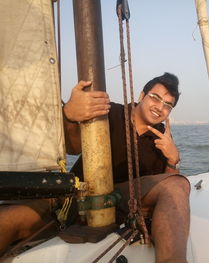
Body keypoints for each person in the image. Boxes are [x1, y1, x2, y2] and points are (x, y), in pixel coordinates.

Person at [0, 73, 190, 263]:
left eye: (168, 105)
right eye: (155, 97)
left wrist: (172, 160)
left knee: (178, 185)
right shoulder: (110, 112)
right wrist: (69, 116)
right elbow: (73, 147)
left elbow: (165, 187)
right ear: (141, 96)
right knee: (6, 221)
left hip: (122, 204)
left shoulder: (163, 139)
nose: (160, 107)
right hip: (73, 197)